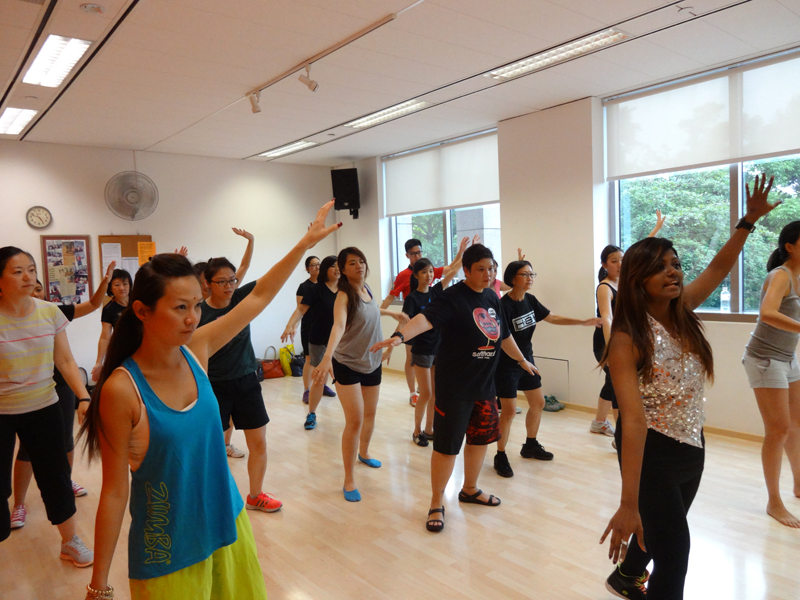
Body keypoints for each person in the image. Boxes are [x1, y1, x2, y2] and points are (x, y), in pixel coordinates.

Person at [79, 202, 340, 599]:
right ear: (142, 311)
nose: (192, 318)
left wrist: (305, 243)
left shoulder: (196, 350)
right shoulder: (122, 390)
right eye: (180, 308)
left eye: (196, 306)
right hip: (168, 548)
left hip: (228, 523)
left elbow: (260, 295)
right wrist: (98, 585)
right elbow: (115, 493)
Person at [600, 175, 776, 600]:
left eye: (675, 264)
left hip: (692, 444)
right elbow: (634, 421)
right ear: (637, 278)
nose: (673, 272)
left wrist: (747, 222)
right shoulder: (626, 339)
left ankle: (625, 576)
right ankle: (633, 575)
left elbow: (717, 268)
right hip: (652, 451)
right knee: (676, 553)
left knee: (662, 530)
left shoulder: (682, 311)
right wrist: (628, 502)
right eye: (660, 267)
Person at [371, 244, 536, 532]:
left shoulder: (492, 297)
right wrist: (399, 337)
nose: (488, 274)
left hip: (485, 386)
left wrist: (522, 361)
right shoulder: (452, 297)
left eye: (491, 269)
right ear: (467, 270)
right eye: (481, 269)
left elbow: (504, 335)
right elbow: (424, 320)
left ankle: (469, 489)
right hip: (454, 388)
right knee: (447, 448)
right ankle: (436, 502)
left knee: (479, 441)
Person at [0, 247, 93, 567]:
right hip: (1, 412)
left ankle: (70, 542)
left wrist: (83, 397)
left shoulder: (49, 312)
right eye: (18, 272)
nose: (28, 277)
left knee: (56, 480)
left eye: (31, 269)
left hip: (43, 408)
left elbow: (65, 360)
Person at [10, 262, 116, 530]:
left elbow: (92, 306)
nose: (33, 289)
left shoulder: (51, 312)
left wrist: (104, 284)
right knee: (27, 450)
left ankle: (65, 483)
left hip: (59, 387)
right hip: (23, 396)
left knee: (66, 440)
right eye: (20, 274)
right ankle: (19, 503)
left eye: (38, 287)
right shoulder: (9, 319)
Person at [493, 260, 602, 478]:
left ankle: (530, 445)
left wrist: (582, 321)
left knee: (538, 402)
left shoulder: (530, 300)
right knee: (509, 411)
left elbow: (552, 317)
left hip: (527, 360)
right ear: (513, 278)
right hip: (506, 364)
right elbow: (504, 340)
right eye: (525, 274)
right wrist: (521, 360)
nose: (530, 278)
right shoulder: (502, 306)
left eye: (532, 274)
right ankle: (500, 455)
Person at [313, 248, 405, 502]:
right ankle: (349, 478)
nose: (359, 266)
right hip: (348, 363)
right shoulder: (344, 295)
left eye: (361, 261)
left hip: (372, 361)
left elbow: (371, 309)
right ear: (343, 270)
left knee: (370, 414)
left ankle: (364, 453)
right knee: (354, 421)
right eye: (352, 263)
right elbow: (338, 325)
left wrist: (392, 313)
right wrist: (327, 357)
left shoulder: (367, 289)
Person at [199, 250, 282, 512]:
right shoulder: (198, 313)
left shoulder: (241, 299)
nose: (229, 286)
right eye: (222, 282)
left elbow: (269, 281)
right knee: (212, 450)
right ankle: (214, 501)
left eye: (232, 280)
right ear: (207, 284)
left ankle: (255, 496)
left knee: (258, 443)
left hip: (247, 382)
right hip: (214, 387)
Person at [743, 220, 800, 528]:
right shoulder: (780, 275)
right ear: (790, 246)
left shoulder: (798, 276)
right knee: (778, 429)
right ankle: (774, 502)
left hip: (787, 358)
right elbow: (767, 313)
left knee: (796, 424)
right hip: (764, 358)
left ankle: (799, 484)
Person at [391, 240, 467, 447]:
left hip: (438, 348)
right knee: (425, 393)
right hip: (422, 349)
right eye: (424, 272)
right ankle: (417, 431)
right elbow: (405, 322)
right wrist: (393, 342)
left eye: (431, 271)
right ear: (416, 275)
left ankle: (429, 429)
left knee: (435, 393)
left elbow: (454, 271)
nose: (429, 275)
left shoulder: (436, 292)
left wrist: (463, 251)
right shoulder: (412, 299)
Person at [381, 238, 453, 406]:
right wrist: (378, 312)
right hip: (411, 322)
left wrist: (463, 251)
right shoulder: (403, 276)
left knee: (430, 364)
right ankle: (413, 392)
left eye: (419, 252)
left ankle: (424, 388)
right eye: (414, 253)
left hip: (429, 330)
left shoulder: (429, 273)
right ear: (407, 255)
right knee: (411, 358)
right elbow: (392, 299)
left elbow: (451, 269)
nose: (417, 255)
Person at [282, 255, 340, 429]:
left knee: (343, 377)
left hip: (341, 340)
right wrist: (290, 325)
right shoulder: (315, 289)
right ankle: (311, 413)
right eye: (333, 266)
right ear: (325, 270)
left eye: (339, 266)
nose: (337, 269)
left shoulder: (345, 289)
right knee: (318, 377)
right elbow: (301, 309)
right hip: (319, 338)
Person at [590, 245, 623, 438]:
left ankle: (599, 423)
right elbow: (607, 319)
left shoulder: (623, 283)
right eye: (614, 261)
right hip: (605, 341)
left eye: (622, 260)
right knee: (618, 383)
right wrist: (611, 349)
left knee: (612, 381)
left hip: (621, 340)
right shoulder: (605, 287)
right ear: (604, 265)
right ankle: (622, 435)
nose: (620, 264)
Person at [295, 256, 330, 403]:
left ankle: (323, 386)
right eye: (313, 265)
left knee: (326, 357)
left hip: (326, 327)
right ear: (307, 268)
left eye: (319, 264)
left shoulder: (326, 285)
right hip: (309, 327)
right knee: (310, 359)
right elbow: (300, 309)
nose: (317, 267)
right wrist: (292, 326)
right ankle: (307, 389)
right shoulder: (304, 287)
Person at [91, 268, 133, 382]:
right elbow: (105, 337)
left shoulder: (138, 301)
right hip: (123, 351)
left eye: (125, 284)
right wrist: (99, 362)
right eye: (117, 285)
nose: (122, 288)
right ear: (110, 288)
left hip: (144, 348)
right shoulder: (109, 309)